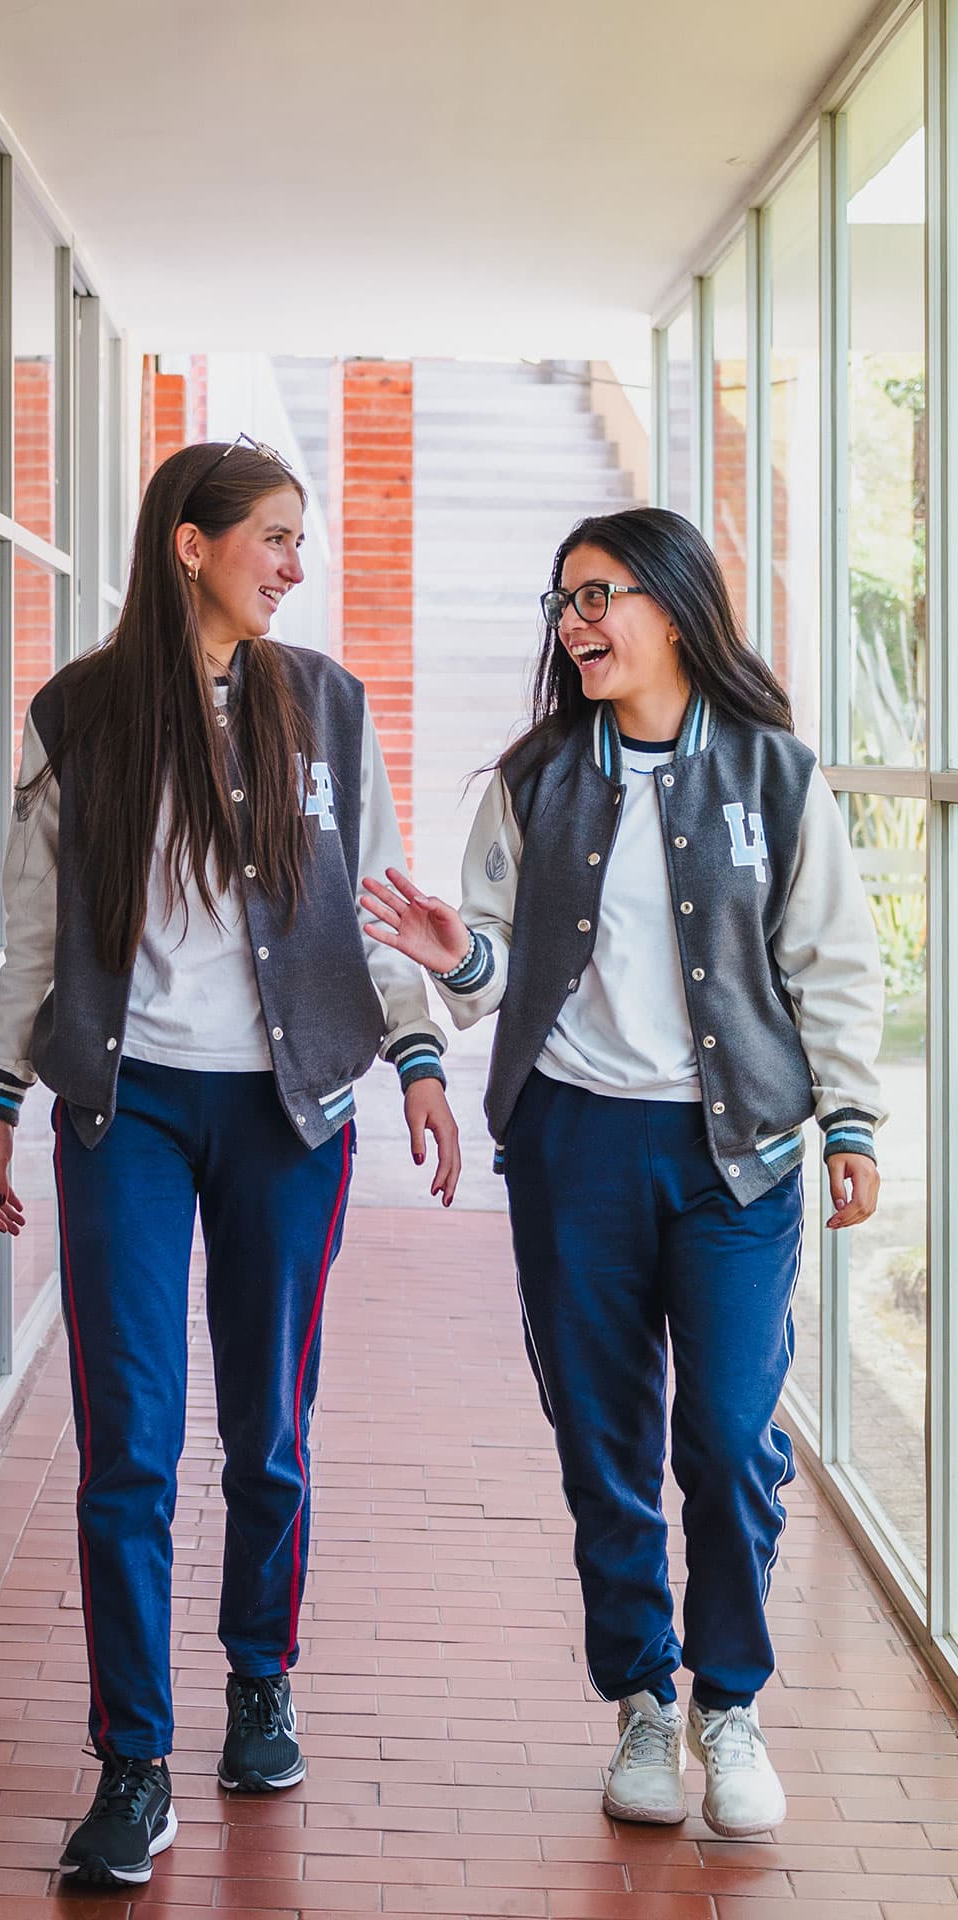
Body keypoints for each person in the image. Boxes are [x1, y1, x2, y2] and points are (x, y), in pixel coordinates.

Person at [0, 435, 460, 1887]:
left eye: (305, 541)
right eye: (277, 536)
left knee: (269, 1430)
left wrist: (421, 1060)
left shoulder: (327, 705)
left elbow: (378, 902)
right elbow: (38, 932)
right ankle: (134, 1762)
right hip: (125, 1112)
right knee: (128, 1444)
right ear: (191, 542)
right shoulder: (82, 714)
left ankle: (261, 1679)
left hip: (289, 1112)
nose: (297, 564)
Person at [361, 506, 884, 1839]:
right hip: (576, 1145)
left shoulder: (774, 773)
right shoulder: (532, 779)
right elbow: (486, 970)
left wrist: (850, 1121)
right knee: (603, 1442)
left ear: (673, 603)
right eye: (562, 602)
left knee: (727, 1436)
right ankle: (645, 1703)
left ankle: (731, 1703)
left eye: (598, 595)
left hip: (738, 1160)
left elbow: (831, 960)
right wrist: (448, 951)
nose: (574, 622)